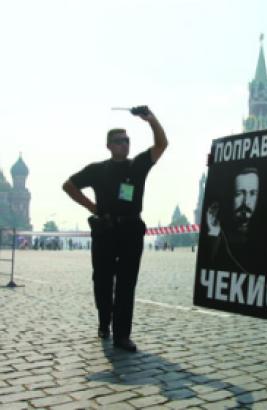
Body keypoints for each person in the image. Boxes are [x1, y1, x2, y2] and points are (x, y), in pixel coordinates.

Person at [62, 106, 168, 352]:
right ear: (109, 145)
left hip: (131, 230)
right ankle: (104, 322)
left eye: (127, 141)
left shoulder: (137, 166)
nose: (125, 144)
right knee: (102, 281)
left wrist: (151, 119)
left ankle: (122, 335)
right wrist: (92, 207)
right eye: (119, 141)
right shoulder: (97, 170)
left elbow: (162, 144)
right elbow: (68, 185)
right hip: (105, 231)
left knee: (126, 284)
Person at [205, 167, 260, 272]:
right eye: (239, 194)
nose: (246, 202)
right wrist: (214, 231)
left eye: (252, 193)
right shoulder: (219, 234)